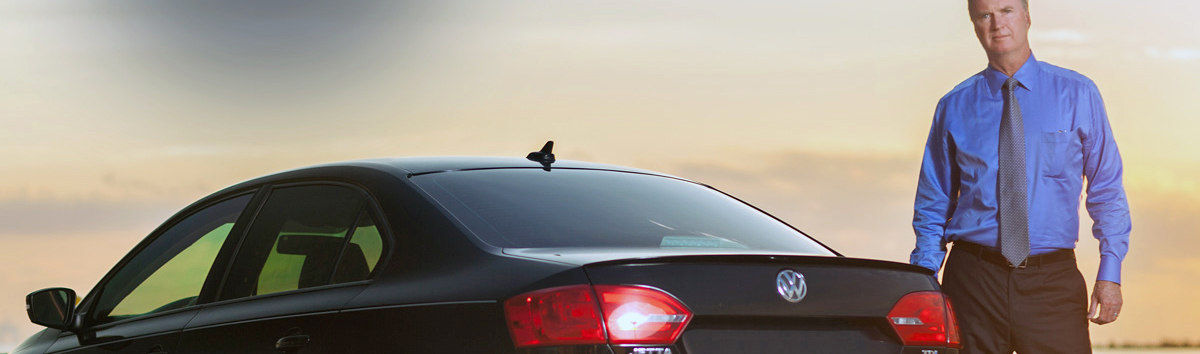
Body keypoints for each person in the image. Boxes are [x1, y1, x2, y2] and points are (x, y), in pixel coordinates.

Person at [909, 0, 1131, 352]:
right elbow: (933, 202)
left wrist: (1110, 271)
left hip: (1052, 283)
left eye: (1007, 10)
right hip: (972, 283)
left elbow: (1106, 190)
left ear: (1027, 16)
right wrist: (923, 278)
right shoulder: (953, 106)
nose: (997, 24)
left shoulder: (1078, 94)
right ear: (975, 24)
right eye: (985, 15)